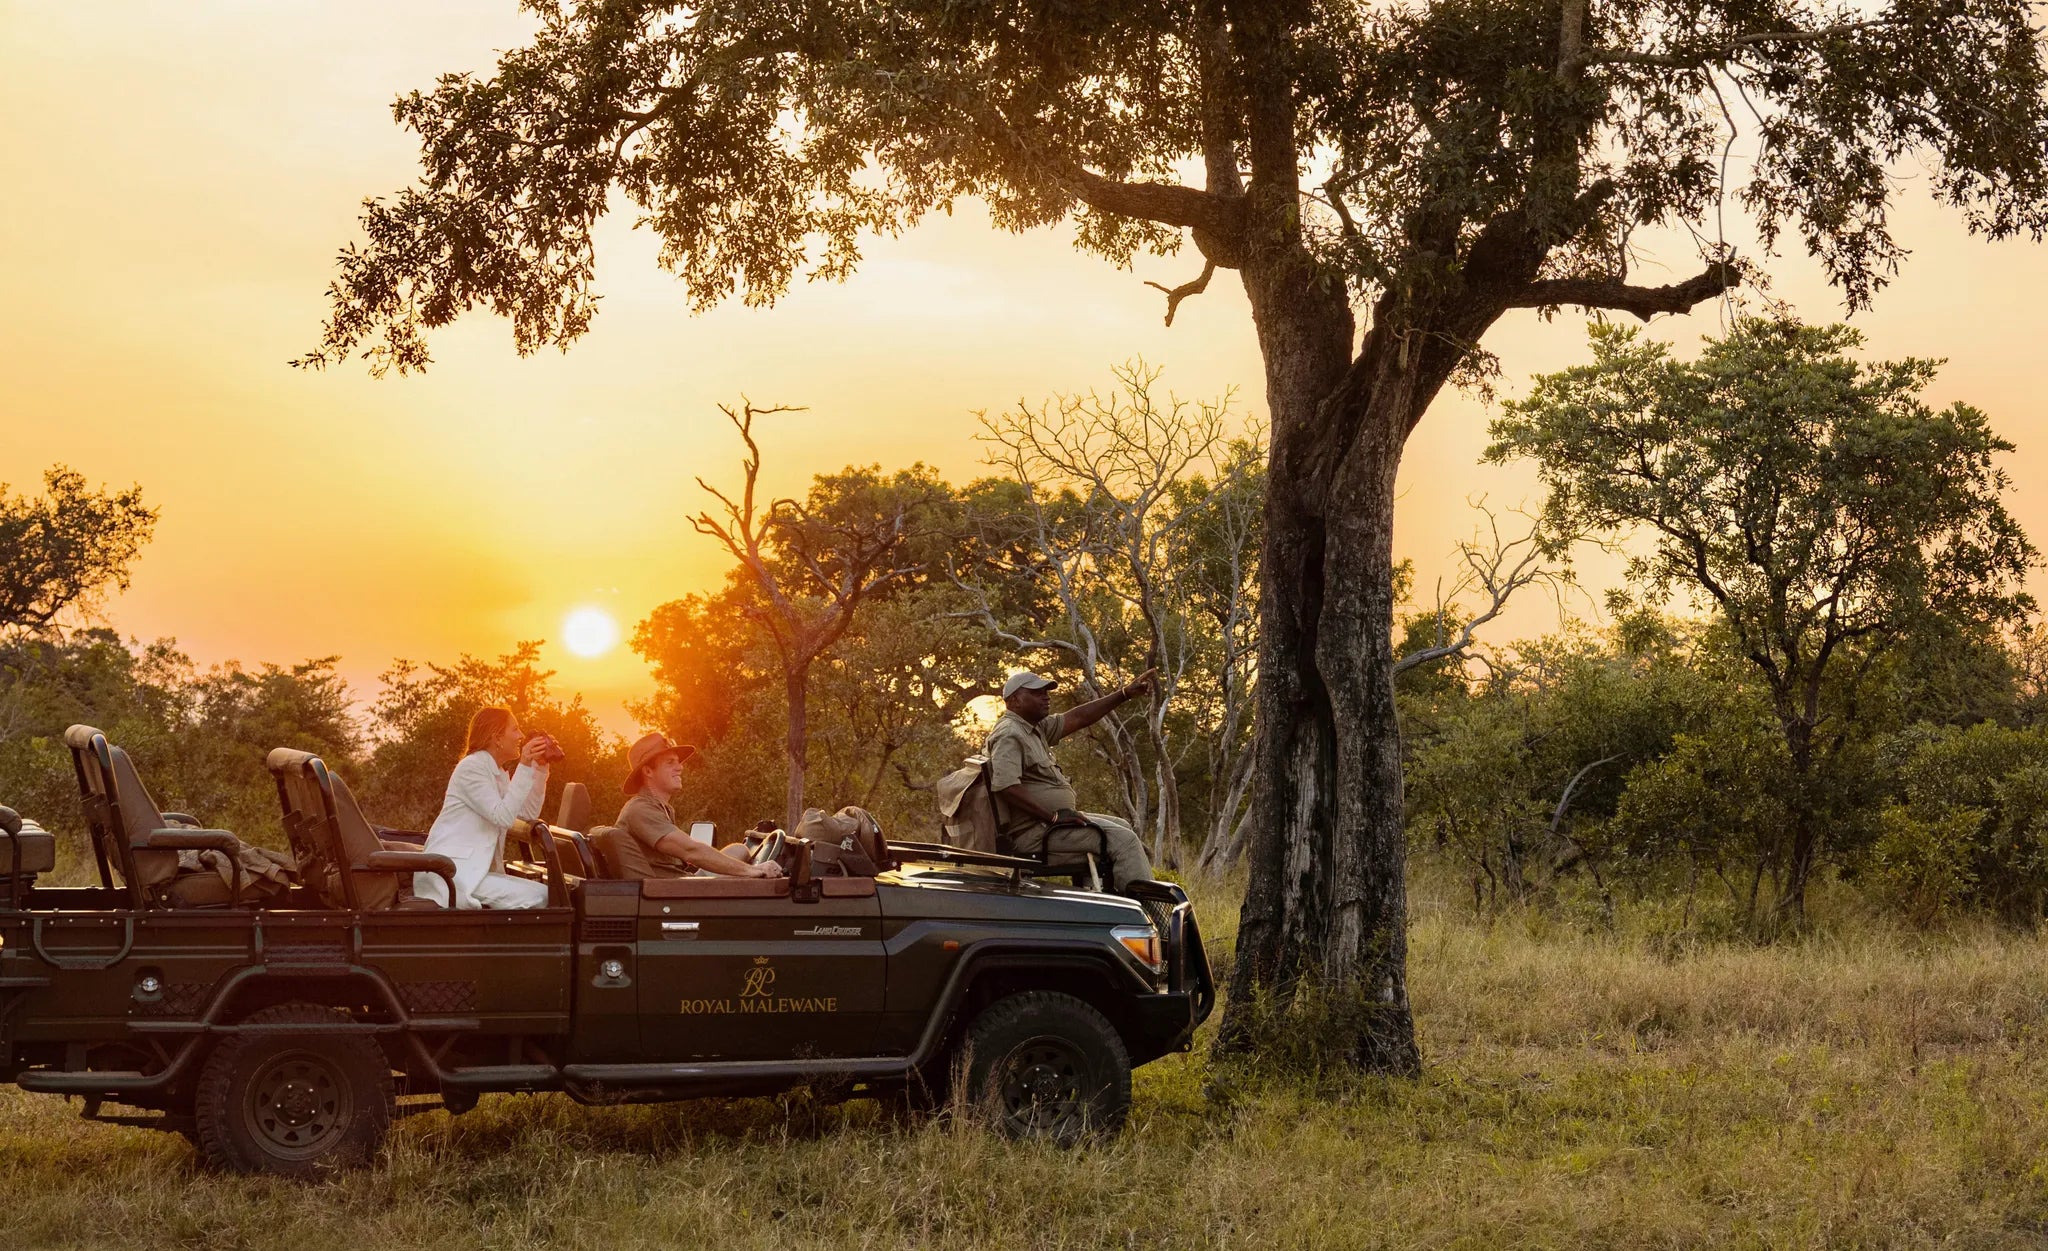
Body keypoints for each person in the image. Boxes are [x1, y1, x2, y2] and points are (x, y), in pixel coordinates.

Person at [985, 669, 1157, 892]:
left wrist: (1124, 694)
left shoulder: (1034, 728)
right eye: (1037, 693)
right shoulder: (1009, 734)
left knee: (1123, 827)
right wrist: (1054, 817)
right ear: (1015, 700)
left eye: (1046, 692)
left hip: (1046, 826)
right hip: (1034, 834)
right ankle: (1142, 908)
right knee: (1124, 841)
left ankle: (1106, 900)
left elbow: (1079, 717)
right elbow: (1007, 787)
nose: (1046, 697)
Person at [416, 706, 553, 909]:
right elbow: (503, 817)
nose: (521, 736)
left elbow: (526, 814)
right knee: (539, 897)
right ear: (497, 737)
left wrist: (539, 769)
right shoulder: (471, 767)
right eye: (515, 729)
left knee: (547, 892)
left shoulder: (496, 772)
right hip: (454, 874)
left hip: (475, 872)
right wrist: (524, 764)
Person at [612, 732, 784, 879]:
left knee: (739, 850)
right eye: (670, 762)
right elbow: (690, 850)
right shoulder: (640, 810)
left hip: (676, 885)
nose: (680, 768)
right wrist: (753, 870)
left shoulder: (658, 807)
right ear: (648, 771)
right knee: (751, 876)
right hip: (671, 895)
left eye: (678, 762)